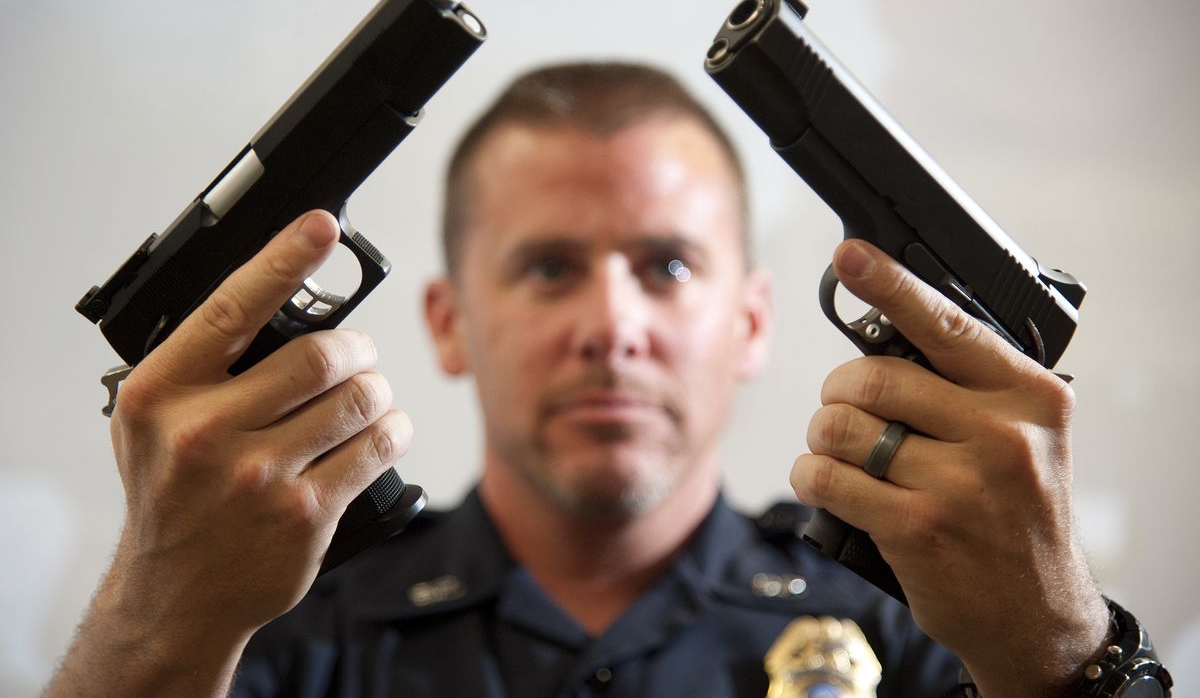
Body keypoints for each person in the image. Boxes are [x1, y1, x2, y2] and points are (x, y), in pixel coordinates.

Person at [46, 63, 1163, 697]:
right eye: (547, 267)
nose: (610, 325)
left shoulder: (925, 630)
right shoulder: (267, 637)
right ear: (450, 323)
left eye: (667, 264)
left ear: (750, 322)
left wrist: (1061, 652)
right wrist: (155, 624)